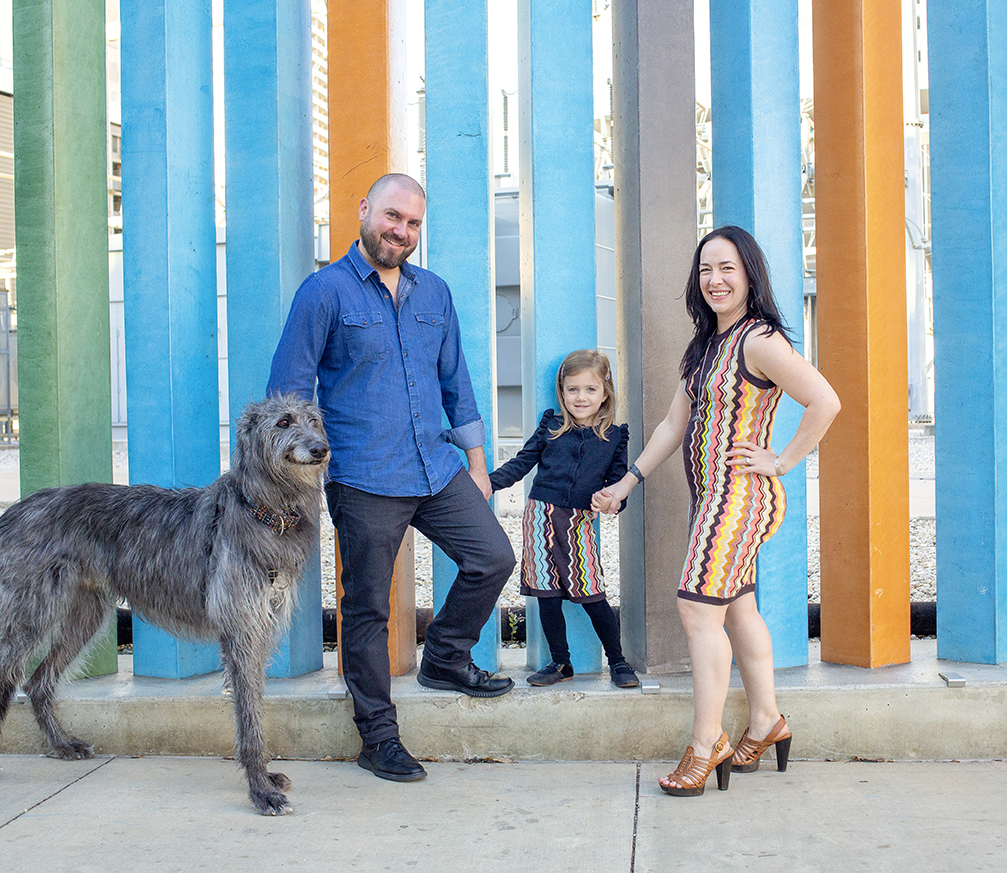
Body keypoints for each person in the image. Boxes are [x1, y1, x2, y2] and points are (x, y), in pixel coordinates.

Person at [267, 173, 516, 785]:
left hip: (436, 467)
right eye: (391, 217)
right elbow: (289, 393)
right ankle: (377, 736)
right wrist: (294, 482)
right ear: (364, 210)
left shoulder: (435, 293)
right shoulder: (323, 293)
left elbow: (456, 382)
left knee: (492, 557)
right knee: (368, 608)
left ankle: (447, 658)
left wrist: (478, 467)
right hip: (364, 475)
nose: (400, 231)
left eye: (411, 224)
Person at [594, 225, 841, 797]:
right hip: (712, 500)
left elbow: (824, 399)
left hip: (740, 499)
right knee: (737, 611)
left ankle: (708, 744)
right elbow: (672, 426)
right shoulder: (706, 344)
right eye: (706, 269)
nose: (715, 279)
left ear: (750, 274)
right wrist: (627, 481)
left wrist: (781, 461)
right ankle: (767, 721)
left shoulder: (759, 341)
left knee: (696, 610)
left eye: (728, 268)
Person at [488, 350, 640, 690]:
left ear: (605, 392)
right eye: (573, 390)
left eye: (590, 390)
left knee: (592, 593)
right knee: (547, 594)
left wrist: (613, 502)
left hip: (579, 523)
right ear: (563, 392)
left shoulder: (615, 436)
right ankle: (560, 662)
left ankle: (617, 661)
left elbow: (618, 486)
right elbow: (520, 464)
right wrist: (488, 483)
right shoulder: (551, 426)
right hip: (540, 517)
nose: (580, 397)